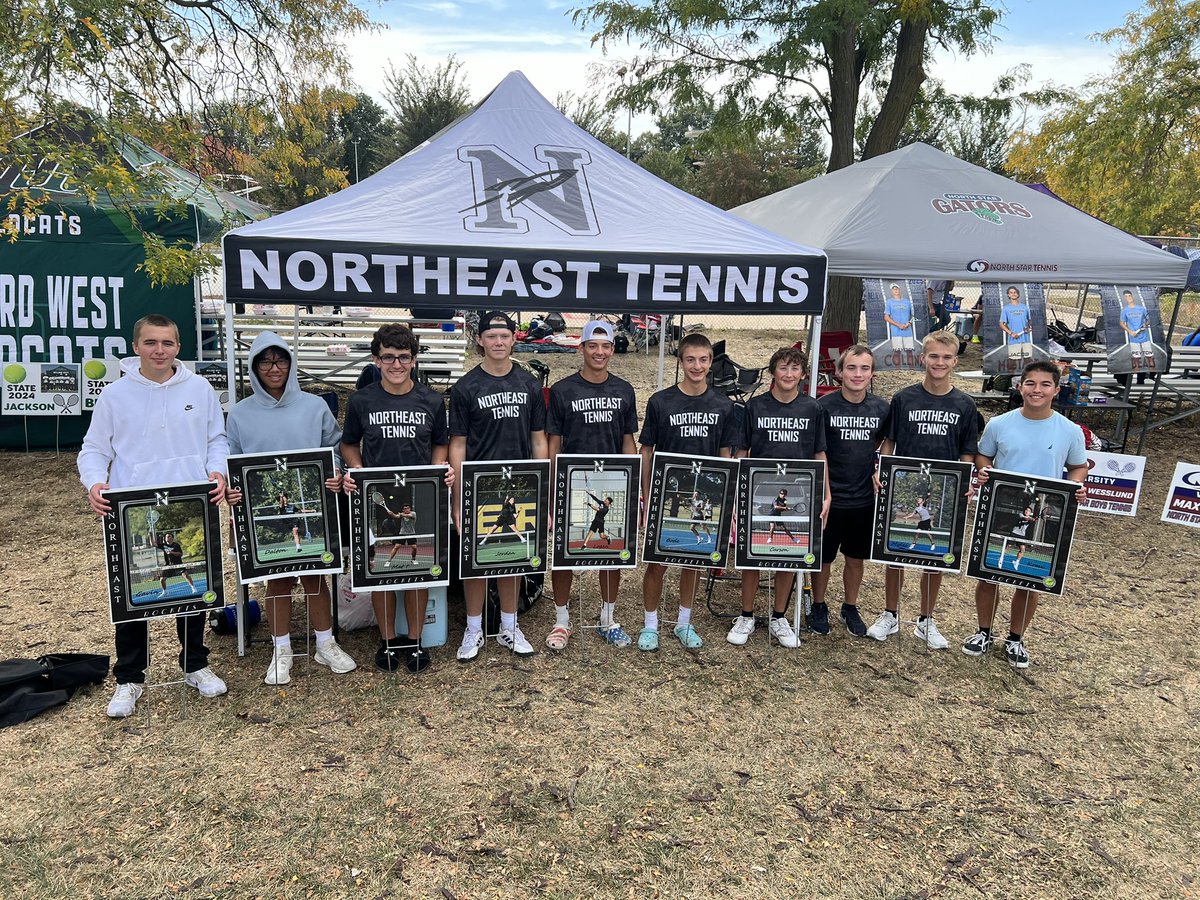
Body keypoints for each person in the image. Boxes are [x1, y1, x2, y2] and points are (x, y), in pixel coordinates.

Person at [78, 313, 229, 717]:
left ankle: (195, 664)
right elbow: (94, 449)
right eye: (150, 342)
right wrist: (95, 484)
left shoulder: (199, 388)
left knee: (194, 589)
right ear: (136, 346)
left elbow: (217, 439)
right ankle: (129, 678)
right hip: (133, 507)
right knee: (133, 594)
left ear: (179, 347)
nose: (158, 351)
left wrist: (218, 471)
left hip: (191, 502)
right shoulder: (115, 396)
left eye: (167, 343)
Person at [225, 332, 356, 686]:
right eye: (265, 361)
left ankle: (325, 643)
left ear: (291, 363)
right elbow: (232, 463)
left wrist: (336, 474)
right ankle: (281, 649)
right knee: (278, 579)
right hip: (264, 513)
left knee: (315, 577)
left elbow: (335, 449)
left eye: (280, 360)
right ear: (254, 367)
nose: (274, 368)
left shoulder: (315, 407)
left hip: (314, 510)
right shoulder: (239, 414)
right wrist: (232, 490)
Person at [342, 323, 453, 674]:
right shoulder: (362, 400)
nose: (396, 364)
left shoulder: (431, 400)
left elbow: (440, 442)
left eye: (403, 357)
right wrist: (357, 471)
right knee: (382, 570)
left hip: (419, 494)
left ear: (414, 360)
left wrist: (438, 471)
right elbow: (348, 443)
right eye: (388, 357)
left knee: (418, 569)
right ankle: (389, 641)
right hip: (378, 492)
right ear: (376, 359)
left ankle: (416, 641)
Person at [962, 361, 1088, 668]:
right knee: (990, 572)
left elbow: (1078, 467)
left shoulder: (1069, 431)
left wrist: (1075, 488)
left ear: (1056, 391)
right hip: (1000, 509)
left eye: (1045, 385)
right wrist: (983, 471)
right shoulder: (999, 424)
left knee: (1029, 580)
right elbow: (984, 457)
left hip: (1043, 514)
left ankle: (1015, 639)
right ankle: (984, 632)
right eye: (1030, 383)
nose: (1037, 390)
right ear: (1020, 387)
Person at [867, 331, 978, 649]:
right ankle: (890, 613)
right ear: (922, 359)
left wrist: (965, 481)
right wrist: (881, 468)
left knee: (935, 555)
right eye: (933, 356)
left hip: (943, 487)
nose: (939, 362)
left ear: (955, 361)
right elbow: (889, 442)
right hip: (906, 482)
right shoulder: (904, 398)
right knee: (896, 550)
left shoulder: (965, 404)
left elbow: (966, 452)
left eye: (946, 357)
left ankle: (926, 620)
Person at [449, 311, 548, 660]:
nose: (498, 342)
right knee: (476, 559)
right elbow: (457, 445)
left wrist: (542, 487)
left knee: (513, 558)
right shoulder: (465, 388)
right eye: (491, 336)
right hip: (480, 483)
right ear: (480, 340)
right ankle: (474, 629)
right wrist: (458, 494)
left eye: (505, 336)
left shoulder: (529, 384)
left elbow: (539, 439)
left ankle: (509, 625)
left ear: (514, 339)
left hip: (520, 482)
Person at [638, 333, 738, 651]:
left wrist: (727, 498)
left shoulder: (724, 405)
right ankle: (650, 625)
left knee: (692, 561)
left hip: (706, 496)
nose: (697, 366)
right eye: (690, 359)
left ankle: (684, 622)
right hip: (667, 494)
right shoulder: (661, 401)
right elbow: (647, 451)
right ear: (680, 362)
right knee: (657, 562)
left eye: (703, 359)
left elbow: (726, 456)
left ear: (711, 363)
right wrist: (646, 493)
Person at [545, 319, 639, 650]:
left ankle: (607, 618)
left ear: (613, 349)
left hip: (613, 480)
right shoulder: (562, 390)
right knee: (563, 554)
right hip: (572, 481)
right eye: (593, 345)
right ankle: (561, 621)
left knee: (612, 552)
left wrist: (634, 484)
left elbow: (628, 441)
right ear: (581, 348)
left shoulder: (624, 390)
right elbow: (553, 443)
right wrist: (555, 485)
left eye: (606, 346)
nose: (600, 352)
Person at [727, 346, 830, 648]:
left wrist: (827, 494)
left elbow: (819, 453)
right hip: (760, 488)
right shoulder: (755, 407)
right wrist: (736, 494)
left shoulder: (813, 408)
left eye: (794, 369)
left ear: (803, 374)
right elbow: (743, 452)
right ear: (773, 372)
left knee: (788, 556)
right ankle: (746, 615)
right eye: (783, 368)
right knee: (752, 556)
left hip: (798, 488)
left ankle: (779, 617)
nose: (788, 374)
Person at [814, 345, 890, 637]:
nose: (858, 374)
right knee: (824, 558)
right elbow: (816, 450)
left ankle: (850, 605)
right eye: (851, 368)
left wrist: (875, 466)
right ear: (839, 371)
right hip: (830, 497)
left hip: (863, 498)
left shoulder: (881, 408)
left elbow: (882, 443)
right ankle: (818, 604)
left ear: (872, 373)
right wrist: (825, 489)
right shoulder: (823, 407)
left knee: (855, 558)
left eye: (865, 369)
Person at [1119, 289, 1155, 372]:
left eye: (1129, 296)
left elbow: (1149, 320)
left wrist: (1145, 325)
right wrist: (1130, 331)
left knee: (1150, 358)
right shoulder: (1124, 310)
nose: (1128, 298)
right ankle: (1136, 377)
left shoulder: (1142, 309)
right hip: (1133, 338)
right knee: (1136, 359)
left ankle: (1152, 375)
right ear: (1124, 298)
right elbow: (1122, 323)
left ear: (1132, 296)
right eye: (1126, 296)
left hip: (1144, 337)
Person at [999, 286, 1033, 373]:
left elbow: (1029, 320)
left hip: (1025, 339)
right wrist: (1011, 333)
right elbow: (1001, 324)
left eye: (1015, 292)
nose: (1013, 294)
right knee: (1012, 362)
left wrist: (1029, 327)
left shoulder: (1024, 307)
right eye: (1011, 292)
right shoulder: (1006, 308)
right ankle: (1010, 378)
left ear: (1018, 294)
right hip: (1013, 339)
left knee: (1028, 360)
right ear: (1008, 295)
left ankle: (1027, 378)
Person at [883, 282, 916, 367]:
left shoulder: (907, 302)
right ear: (891, 291)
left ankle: (911, 369)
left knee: (909, 351)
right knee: (897, 351)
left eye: (897, 289)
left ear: (899, 290)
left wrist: (909, 323)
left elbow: (913, 315)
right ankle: (898, 369)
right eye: (893, 289)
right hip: (896, 331)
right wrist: (898, 325)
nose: (895, 290)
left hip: (907, 331)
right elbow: (886, 317)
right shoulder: (889, 302)